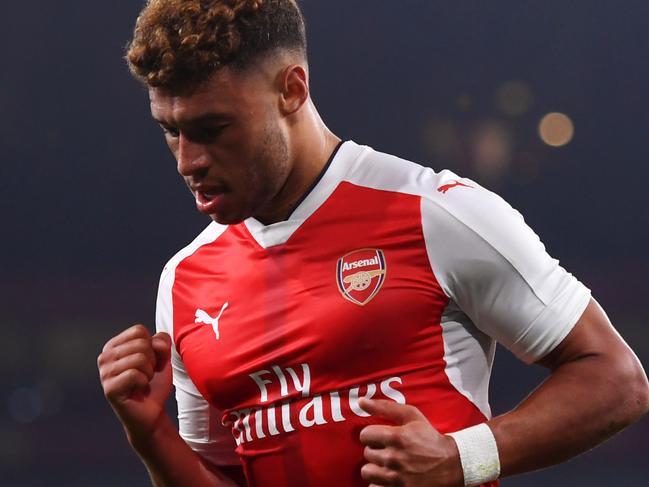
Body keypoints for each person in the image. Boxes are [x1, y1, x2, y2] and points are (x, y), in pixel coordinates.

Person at [97, 1, 649, 486]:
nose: (188, 160)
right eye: (171, 130)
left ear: (292, 89)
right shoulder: (186, 279)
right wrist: (149, 434)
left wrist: (463, 457)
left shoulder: (435, 211)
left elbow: (616, 379)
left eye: (213, 128)